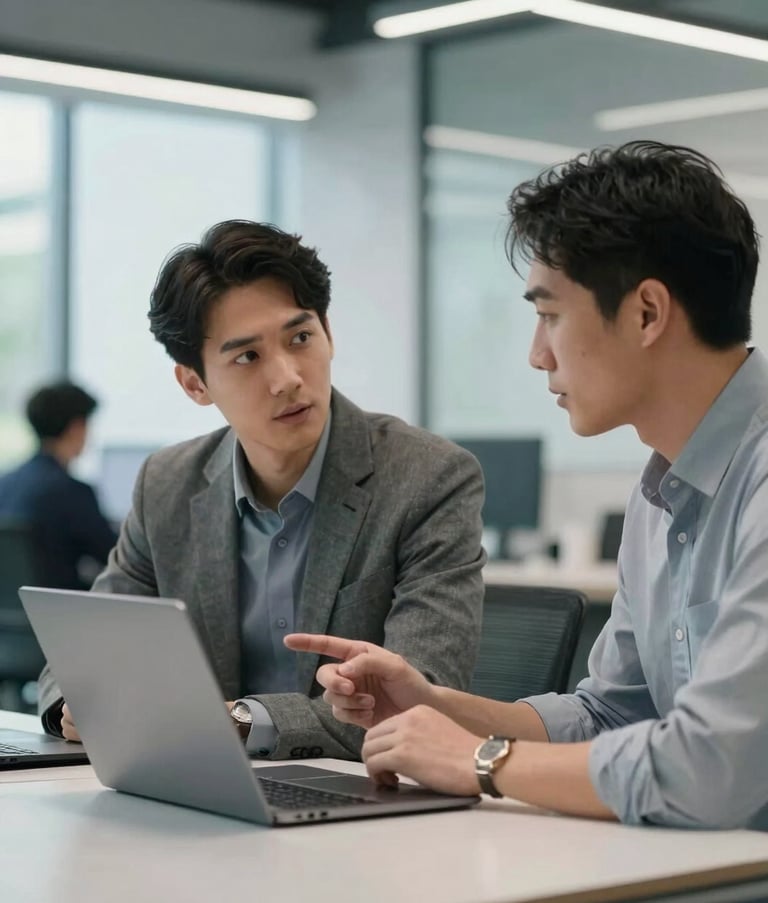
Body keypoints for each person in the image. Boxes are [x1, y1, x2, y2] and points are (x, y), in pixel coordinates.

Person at [286, 141, 768, 829]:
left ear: (647, 313)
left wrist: (482, 761)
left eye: (549, 314)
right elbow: (611, 713)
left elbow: (713, 767)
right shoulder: (660, 491)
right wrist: (435, 705)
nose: (536, 354)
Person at [37, 221, 485, 760]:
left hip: (365, 800)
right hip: (202, 791)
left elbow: (419, 698)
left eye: (300, 338)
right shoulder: (167, 485)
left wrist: (239, 721)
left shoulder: (428, 478)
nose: (287, 377)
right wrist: (78, 701)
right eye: (247, 357)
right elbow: (86, 648)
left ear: (328, 333)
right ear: (195, 383)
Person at [0, 382, 117, 590]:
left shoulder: (5, 483)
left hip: (10, 614)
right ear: (76, 428)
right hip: (56, 612)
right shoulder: (71, 491)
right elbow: (116, 556)